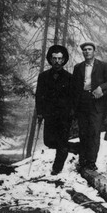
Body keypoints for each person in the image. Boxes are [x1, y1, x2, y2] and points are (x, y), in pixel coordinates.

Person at [72, 42, 107, 171]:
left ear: (94, 51)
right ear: (82, 52)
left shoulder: (103, 66)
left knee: (94, 132)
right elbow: (74, 86)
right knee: (83, 132)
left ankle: (91, 161)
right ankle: (82, 160)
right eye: (85, 50)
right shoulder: (78, 67)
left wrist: (101, 88)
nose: (87, 52)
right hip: (82, 102)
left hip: (97, 103)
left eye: (89, 49)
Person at [35, 45, 74, 175]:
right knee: (49, 141)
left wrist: (71, 112)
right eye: (54, 58)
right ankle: (71, 148)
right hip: (49, 114)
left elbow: (73, 97)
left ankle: (57, 168)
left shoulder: (69, 78)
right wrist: (40, 112)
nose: (57, 61)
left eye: (60, 59)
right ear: (50, 60)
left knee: (62, 141)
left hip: (64, 116)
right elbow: (39, 96)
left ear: (64, 60)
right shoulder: (43, 76)